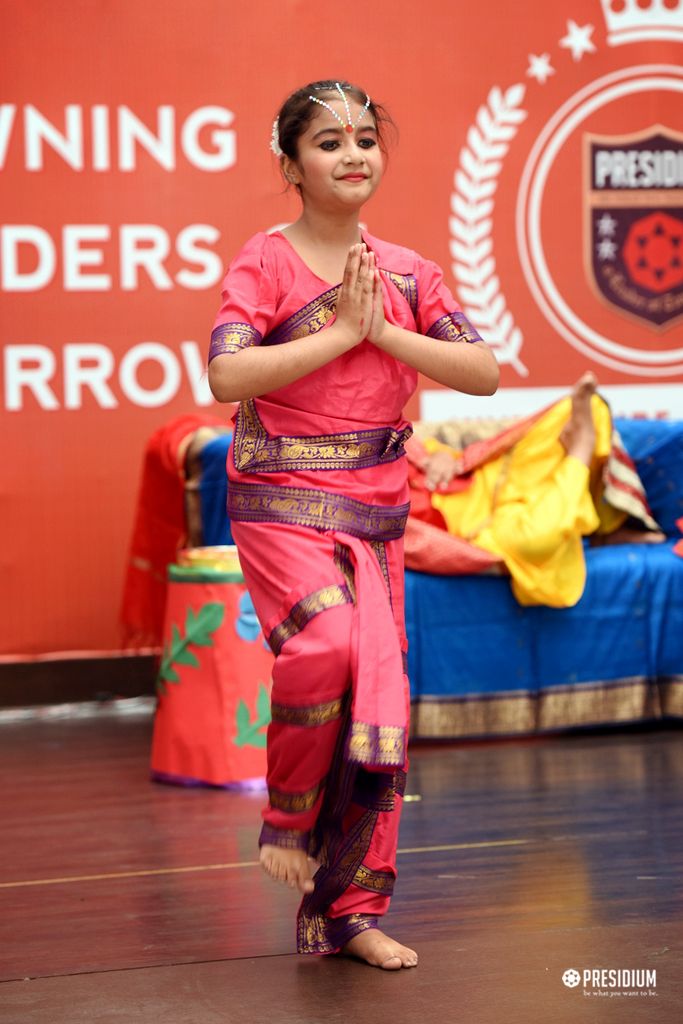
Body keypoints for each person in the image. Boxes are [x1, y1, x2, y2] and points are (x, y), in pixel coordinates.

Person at [207, 80, 499, 970]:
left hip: (374, 509)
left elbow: (480, 371)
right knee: (329, 646)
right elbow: (227, 378)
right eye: (328, 143)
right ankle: (285, 818)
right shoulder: (265, 261)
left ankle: (351, 915)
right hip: (281, 497)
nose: (352, 155)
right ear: (288, 163)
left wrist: (383, 333)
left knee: (379, 706)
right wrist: (339, 335)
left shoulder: (408, 272)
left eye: (365, 138)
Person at [408, 372, 664, 607]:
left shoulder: (379, 441)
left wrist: (440, 456)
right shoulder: (371, 515)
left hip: (499, 480)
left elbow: (423, 447)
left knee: (588, 409)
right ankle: (580, 453)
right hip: (490, 531)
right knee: (534, 541)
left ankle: (605, 527)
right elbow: (420, 547)